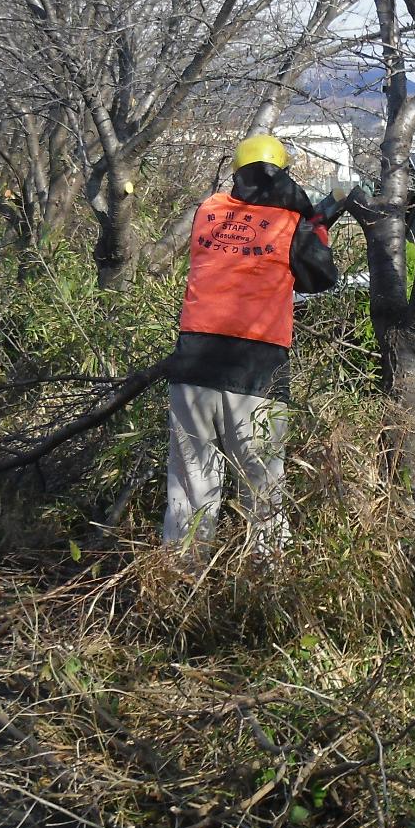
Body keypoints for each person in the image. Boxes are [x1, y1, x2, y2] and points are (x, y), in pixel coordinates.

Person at [166, 133, 339, 553]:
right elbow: (321, 277)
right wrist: (316, 221)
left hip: (193, 366)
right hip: (257, 368)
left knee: (191, 488)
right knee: (261, 490)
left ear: (236, 171)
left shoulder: (208, 211)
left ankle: (176, 583)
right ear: (281, 174)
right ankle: (264, 586)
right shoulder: (290, 222)